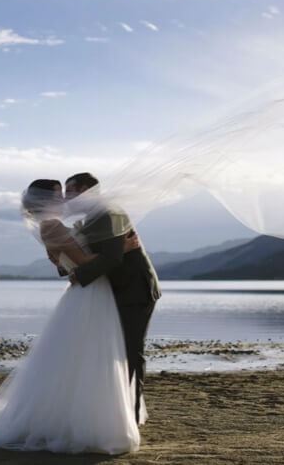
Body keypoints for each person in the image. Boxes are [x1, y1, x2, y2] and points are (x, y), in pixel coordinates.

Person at [0, 179, 142, 454]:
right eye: (59, 195)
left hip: (89, 291)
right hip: (90, 293)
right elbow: (84, 263)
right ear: (47, 201)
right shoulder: (52, 225)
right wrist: (123, 248)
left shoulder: (48, 226)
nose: (65, 200)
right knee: (87, 355)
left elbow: (67, 264)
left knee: (81, 356)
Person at [63, 172, 161, 424]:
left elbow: (112, 258)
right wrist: (69, 266)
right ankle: (116, 411)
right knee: (111, 351)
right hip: (113, 291)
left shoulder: (109, 213)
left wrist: (79, 275)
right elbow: (91, 254)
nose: (66, 198)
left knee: (130, 351)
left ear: (86, 189)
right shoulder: (93, 218)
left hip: (134, 289)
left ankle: (132, 414)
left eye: (70, 191)